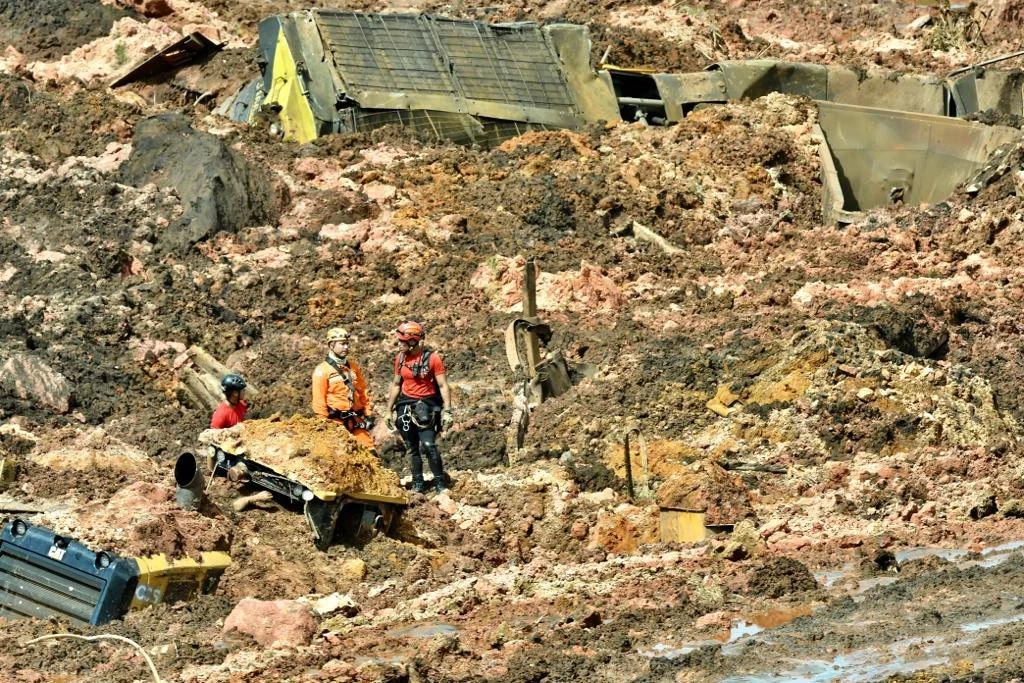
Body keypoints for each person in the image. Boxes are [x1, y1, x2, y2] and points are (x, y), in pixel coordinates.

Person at [384, 321, 454, 494]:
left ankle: (440, 484)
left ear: (413, 342)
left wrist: (448, 411)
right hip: (405, 405)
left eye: (403, 341)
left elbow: (443, 386)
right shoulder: (400, 359)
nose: (399, 344)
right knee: (412, 447)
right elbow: (395, 384)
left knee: (429, 444)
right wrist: (388, 410)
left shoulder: (433, 359)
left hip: (427, 405)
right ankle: (418, 483)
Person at [312, 327, 376, 450]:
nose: (346, 347)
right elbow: (319, 401)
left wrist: (368, 413)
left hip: (355, 421)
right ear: (331, 345)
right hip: (335, 423)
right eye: (342, 344)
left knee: (371, 454)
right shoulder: (322, 371)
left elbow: (362, 391)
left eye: (347, 344)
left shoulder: (353, 366)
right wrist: (323, 424)